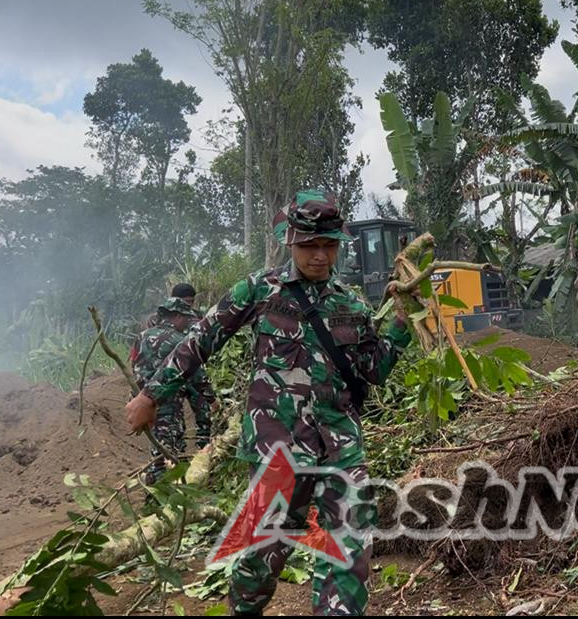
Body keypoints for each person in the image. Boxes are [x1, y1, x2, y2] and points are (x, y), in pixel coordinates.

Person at [125, 190, 411, 616]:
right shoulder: (260, 290)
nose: (318, 256)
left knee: (348, 548)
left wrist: (403, 323)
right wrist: (151, 394)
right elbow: (202, 339)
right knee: (266, 552)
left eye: (328, 246)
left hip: (341, 445)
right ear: (290, 242)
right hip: (278, 445)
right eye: (308, 246)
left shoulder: (351, 304)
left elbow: (373, 370)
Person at [129, 283, 215, 484]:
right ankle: (162, 491)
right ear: (176, 316)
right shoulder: (179, 340)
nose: (187, 323)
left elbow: (134, 364)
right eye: (185, 318)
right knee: (168, 448)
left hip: (143, 400)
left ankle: (158, 484)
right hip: (166, 401)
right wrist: (211, 398)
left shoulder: (142, 336)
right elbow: (197, 374)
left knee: (159, 444)